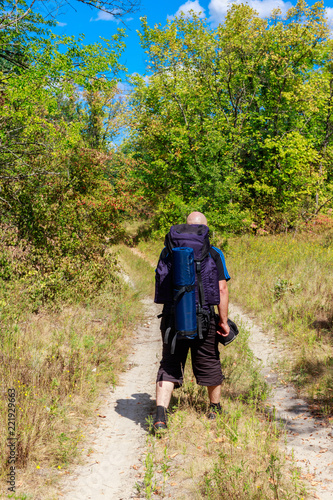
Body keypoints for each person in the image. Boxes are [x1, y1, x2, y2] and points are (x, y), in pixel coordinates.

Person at [153, 211, 230, 432]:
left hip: (172, 317)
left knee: (169, 363)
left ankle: (160, 416)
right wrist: (223, 321)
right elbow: (222, 289)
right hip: (204, 317)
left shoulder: (167, 251)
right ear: (205, 229)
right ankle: (214, 409)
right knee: (209, 359)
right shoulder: (213, 252)